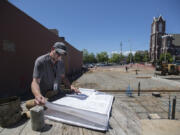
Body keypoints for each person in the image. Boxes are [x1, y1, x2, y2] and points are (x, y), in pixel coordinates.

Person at [26, 42, 80, 110]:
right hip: (45, 96)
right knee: (39, 110)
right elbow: (35, 82)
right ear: (52, 49)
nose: (59, 56)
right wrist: (38, 95)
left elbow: (63, 77)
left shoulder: (61, 63)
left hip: (57, 92)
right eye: (58, 53)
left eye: (62, 54)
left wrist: (70, 86)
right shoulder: (41, 61)